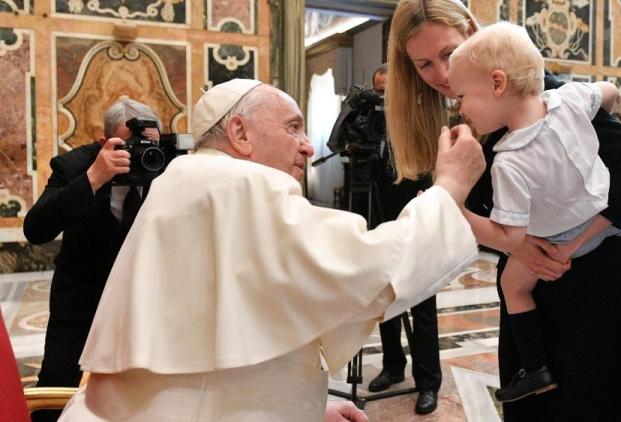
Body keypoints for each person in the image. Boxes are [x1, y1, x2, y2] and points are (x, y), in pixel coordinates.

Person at [57, 78, 487, 421]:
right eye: (292, 126)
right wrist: (449, 187)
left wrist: (304, 411)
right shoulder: (237, 181)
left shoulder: (188, 178)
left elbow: (227, 348)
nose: (308, 144)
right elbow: (369, 267)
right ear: (239, 132)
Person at [386, 0, 621, 419]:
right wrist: (516, 246)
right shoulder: (445, 114)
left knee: (602, 403)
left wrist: (571, 239)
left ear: (470, 31)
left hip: (590, 280)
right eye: (424, 65)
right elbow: (450, 215)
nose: (441, 76)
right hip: (528, 294)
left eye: (447, 54)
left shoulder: (540, 94)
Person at [447, 21, 621, 402]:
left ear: (497, 84)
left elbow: (510, 236)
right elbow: (610, 91)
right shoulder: (569, 100)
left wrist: (455, 209)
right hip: (607, 210)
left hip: (564, 241)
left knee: (514, 287)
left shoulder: (508, 160)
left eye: (462, 96)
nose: (460, 108)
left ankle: (535, 367)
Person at [23, 97, 161, 422]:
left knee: (143, 391)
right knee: (57, 384)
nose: (143, 153)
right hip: (80, 296)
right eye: (131, 146)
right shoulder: (73, 165)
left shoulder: (164, 163)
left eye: (150, 145)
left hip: (140, 298)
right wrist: (93, 178)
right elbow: (36, 229)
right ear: (104, 142)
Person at [365, 63, 442, 415]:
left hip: (418, 223)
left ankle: (428, 382)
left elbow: (436, 168)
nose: (383, 99)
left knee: (422, 307)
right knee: (386, 303)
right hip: (381, 223)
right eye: (378, 92)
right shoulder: (369, 126)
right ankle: (393, 366)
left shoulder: (418, 123)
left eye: (388, 92)